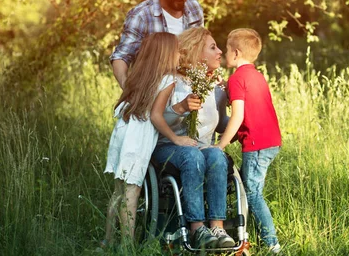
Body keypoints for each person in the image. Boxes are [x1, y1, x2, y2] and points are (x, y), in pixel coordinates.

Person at [102, 32, 198, 247]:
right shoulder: (168, 80)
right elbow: (156, 116)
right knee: (132, 190)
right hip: (139, 137)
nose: (179, 54)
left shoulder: (140, 74)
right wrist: (176, 139)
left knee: (119, 189)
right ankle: (127, 245)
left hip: (123, 131)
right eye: (176, 50)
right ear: (166, 54)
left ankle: (106, 240)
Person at [152, 27, 235, 249]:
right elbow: (156, 119)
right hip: (169, 146)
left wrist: (242, 124)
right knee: (191, 156)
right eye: (213, 47)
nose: (219, 52)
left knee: (217, 155)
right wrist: (179, 107)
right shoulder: (172, 81)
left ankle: (217, 227)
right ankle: (197, 229)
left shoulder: (217, 87)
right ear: (197, 53)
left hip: (202, 148)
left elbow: (220, 123)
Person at [214, 28, 282, 254]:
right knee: (244, 185)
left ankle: (272, 244)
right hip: (271, 141)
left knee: (252, 193)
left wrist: (221, 145)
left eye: (225, 49)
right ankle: (241, 233)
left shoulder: (236, 79)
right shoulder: (256, 75)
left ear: (235, 53)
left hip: (256, 145)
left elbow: (238, 116)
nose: (224, 53)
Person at [110, 0, 204, 89]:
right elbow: (121, 57)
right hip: (153, 95)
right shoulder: (140, 16)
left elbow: (200, 52)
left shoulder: (194, 8)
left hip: (189, 95)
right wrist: (129, 93)